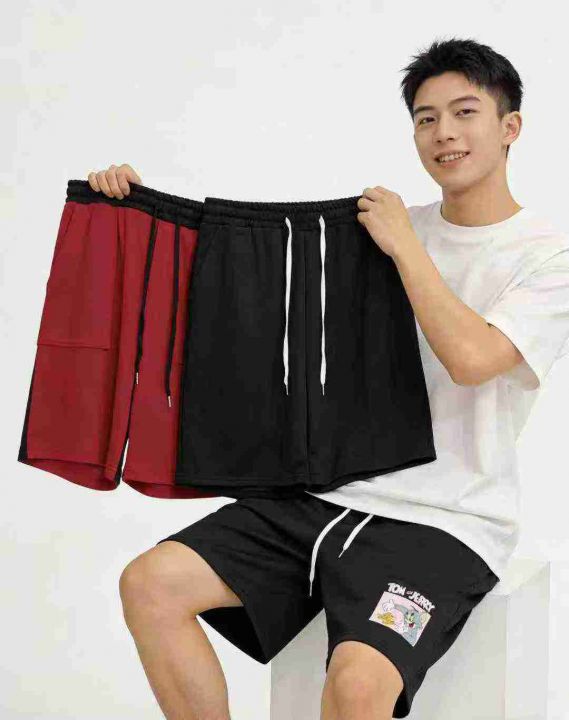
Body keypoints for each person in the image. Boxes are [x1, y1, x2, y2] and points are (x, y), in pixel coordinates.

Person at [91, 38, 569, 720]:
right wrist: (138, 208)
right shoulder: (378, 229)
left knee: (357, 686)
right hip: (328, 492)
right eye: (426, 118)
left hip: (447, 522)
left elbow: (471, 359)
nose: (444, 132)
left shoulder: (547, 257)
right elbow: (250, 279)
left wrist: (406, 248)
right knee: (150, 584)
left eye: (465, 112)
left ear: (509, 126)